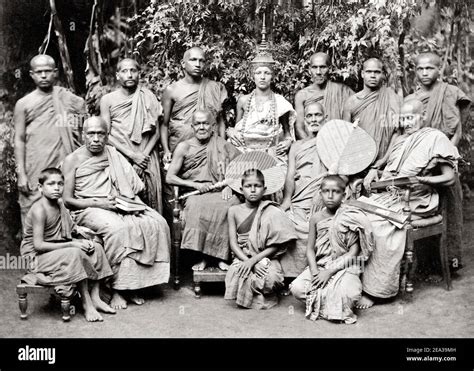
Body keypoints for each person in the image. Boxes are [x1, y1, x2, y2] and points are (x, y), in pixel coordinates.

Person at [358, 99, 459, 309]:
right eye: (403, 118)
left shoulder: (435, 138)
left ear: (422, 117)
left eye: (411, 117)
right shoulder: (399, 139)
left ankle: (378, 290)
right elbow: (383, 164)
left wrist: (427, 180)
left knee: (380, 226)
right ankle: (354, 280)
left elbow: (449, 177)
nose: (407, 122)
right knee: (353, 214)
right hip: (388, 196)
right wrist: (374, 171)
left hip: (418, 200)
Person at [62, 116, 171, 310]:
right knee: (118, 229)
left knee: (158, 223)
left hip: (119, 203)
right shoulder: (73, 160)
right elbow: (68, 200)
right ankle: (116, 289)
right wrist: (99, 203)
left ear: (107, 136)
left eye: (100, 134)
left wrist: (127, 203)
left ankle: (135, 286)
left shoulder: (113, 154)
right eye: (91, 134)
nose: (96, 139)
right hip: (87, 208)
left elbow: (131, 187)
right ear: (83, 135)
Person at [20, 168, 115, 322]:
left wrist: (79, 241)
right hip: (37, 257)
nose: (56, 188)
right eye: (51, 184)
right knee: (75, 254)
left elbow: (66, 233)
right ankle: (87, 303)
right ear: (40, 188)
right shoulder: (39, 210)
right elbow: (39, 245)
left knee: (95, 247)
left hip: (56, 248)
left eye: (60, 184)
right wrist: (73, 245)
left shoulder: (59, 204)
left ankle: (95, 297)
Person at [405, 52, 471, 270]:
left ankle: (451, 260)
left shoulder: (450, 92)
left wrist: (446, 156)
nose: (425, 73)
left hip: (444, 160)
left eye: (429, 68)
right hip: (421, 162)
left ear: (438, 69)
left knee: (450, 208)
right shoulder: (411, 100)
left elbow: (458, 131)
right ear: (415, 71)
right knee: (422, 208)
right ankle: (427, 263)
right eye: (420, 69)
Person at [289, 175, 374, 324]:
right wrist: (315, 271)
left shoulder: (349, 216)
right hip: (321, 265)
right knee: (297, 288)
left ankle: (322, 304)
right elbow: (309, 249)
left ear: (344, 194)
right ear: (320, 193)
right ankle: (331, 305)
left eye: (335, 191)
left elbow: (353, 252)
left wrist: (329, 272)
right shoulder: (316, 218)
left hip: (345, 267)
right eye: (326, 191)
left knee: (349, 293)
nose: (330, 196)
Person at [14, 54, 86, 225]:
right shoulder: (24, 104)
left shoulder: (69, 101)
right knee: (32, 209)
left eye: (48, 71)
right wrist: (21, 174)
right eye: (39, 72)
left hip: (64, 165)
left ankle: (63, 246)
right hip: (35, 166)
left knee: (65, 206)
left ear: (56, 72)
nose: (44, 76)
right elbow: (19, 140)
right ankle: (32, 249)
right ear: (31, 74)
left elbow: (82, 134)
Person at [166, 109, 241, 271]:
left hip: (219, 190)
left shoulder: (222, 144)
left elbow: (241, 167)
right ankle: (204, 258)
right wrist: (196, 185)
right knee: (197, 207)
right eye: (198, 124)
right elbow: (170, 177)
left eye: (206, 123)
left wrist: (229, 184)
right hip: (195, 194)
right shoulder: (184, 147)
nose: (202, 127)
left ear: (212, 126)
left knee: (232, 204)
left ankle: (220, 257)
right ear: (192, 127)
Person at [225, 169, 297, 309]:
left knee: (272, 278)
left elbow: (276, 245)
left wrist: (255, 260)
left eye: (257, 186)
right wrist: (249, 262)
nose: (253, 190)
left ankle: (259, 294)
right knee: (237, 273)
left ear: (264, 189)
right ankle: (254, 295)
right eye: (248, 186)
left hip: (265, 256)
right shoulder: (233, 211)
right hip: (243, 256)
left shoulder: (271, 211)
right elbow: (233, 244)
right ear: (241, 189)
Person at [100, 58, 163, 212]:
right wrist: (132, 155)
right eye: (124, 71)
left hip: (147, 156)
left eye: (133, 71)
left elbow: (157, 132)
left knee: (152, 198)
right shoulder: (108, 100)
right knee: (126, 201)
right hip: (121, 156)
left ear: (139, 74)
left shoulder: (148, 96)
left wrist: (143, 156)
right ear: (117, 75)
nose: (129, 75)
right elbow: (105, 135)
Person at [279, 101, 328, 277]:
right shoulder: (297, 146)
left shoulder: (334, 142)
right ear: (304, 120)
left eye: (318, 115)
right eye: (309, 116)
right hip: (300, 198)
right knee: (283, 220)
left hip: (325, 197)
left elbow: (341, 174)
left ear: (325, 118)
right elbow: (290, 175)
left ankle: (320, 271)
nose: (314, 119)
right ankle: (292, 275)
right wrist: (286, 200)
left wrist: (322, 195)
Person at [226, 44, 296, 166]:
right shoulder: (244, 100)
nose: (262, 77)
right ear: (252, 76)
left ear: (272, 76)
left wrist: (288, 142)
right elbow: (239, 128)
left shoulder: (279, 101)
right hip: (244, 149)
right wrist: (230, 132)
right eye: (258, 73)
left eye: (267, 73)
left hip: (271, 150)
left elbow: (287, 132)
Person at [161, 47, 228, 161]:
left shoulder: (215, 88)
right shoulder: (172, 90)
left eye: (201, 61)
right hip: (180, 149)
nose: (198, 64)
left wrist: (223, 146)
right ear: (183, 63)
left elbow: (220, 122)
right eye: (193, 60)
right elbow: (164, 124)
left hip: (211, 149)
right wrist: (166, 150)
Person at [343, 58, 401, 163]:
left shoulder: (392, 97)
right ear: (362, 74)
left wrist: (384, 159)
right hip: (358, 159)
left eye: (377, 72)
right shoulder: (351, 102)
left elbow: (397, 132)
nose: (373, 75)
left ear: (383, 74)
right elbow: (346, 136)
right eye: (369, 72)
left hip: (387, 159)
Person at [294, 52, 353, 139]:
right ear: (309, 69)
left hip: (339, 143)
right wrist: (311, 146)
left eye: (322, 67)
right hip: (310, 145)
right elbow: (299, 127)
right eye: (314, 67)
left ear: (329, 68)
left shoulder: (343, 91)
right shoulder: (302, 95)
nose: (318, 72)